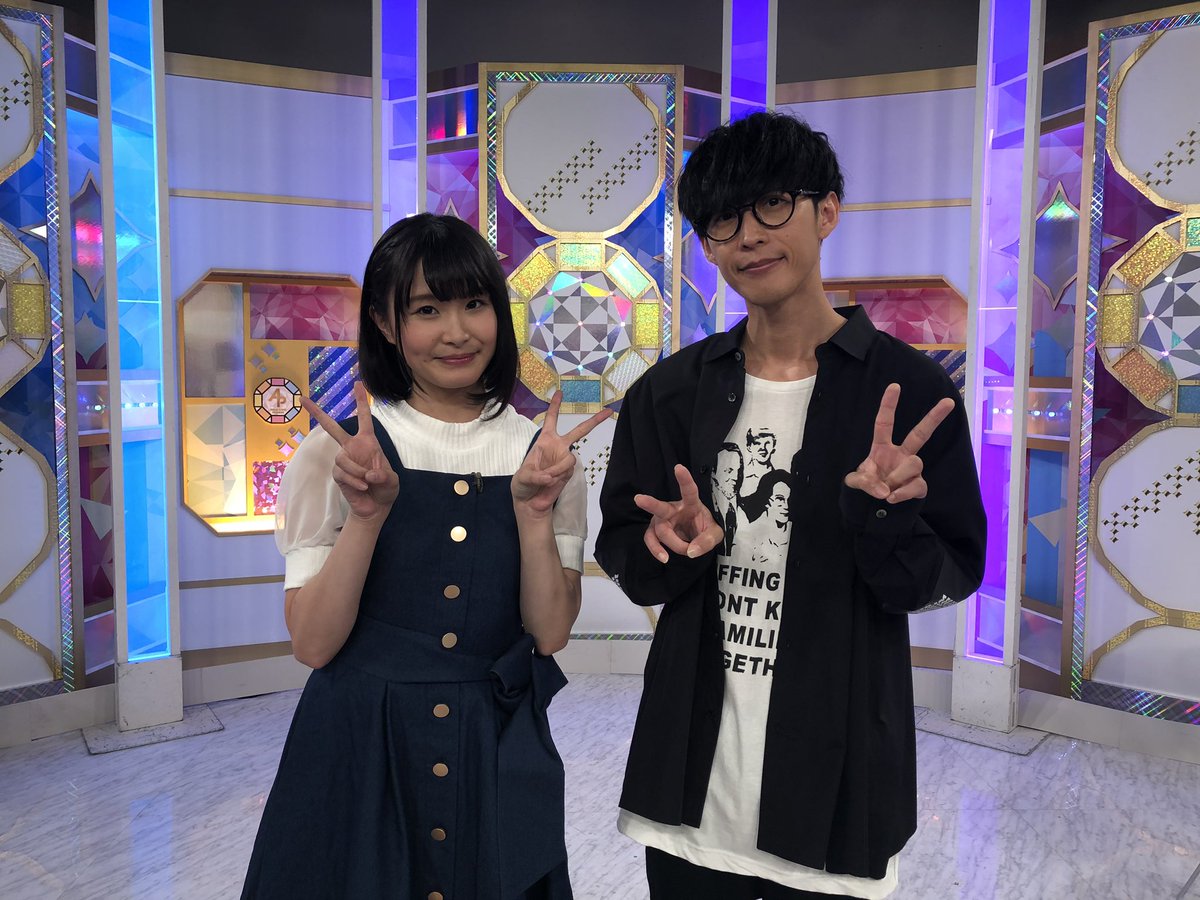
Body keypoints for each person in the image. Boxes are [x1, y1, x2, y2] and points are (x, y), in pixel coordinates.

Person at [596, 111, 986, 900]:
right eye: (722, 220)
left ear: (827, 210)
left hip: (836, 780)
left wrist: (885, 520)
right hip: (686, 781)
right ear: (707, 244)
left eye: (772, 204)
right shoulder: (669, 394)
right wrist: (666, 546)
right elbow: (629, 558)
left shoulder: (908, 392)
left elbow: (948, 574)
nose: (748, 236)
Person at [243, 213, 608, 900]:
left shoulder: (545, 457)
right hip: (360, 744)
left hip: (492, 743)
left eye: (474, 304)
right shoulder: (338, 454)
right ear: (386, 323)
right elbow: (313, 644)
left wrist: (534, 515)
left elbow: (550, 633)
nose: (457, 332)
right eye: (426, 310)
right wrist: (367, 518)